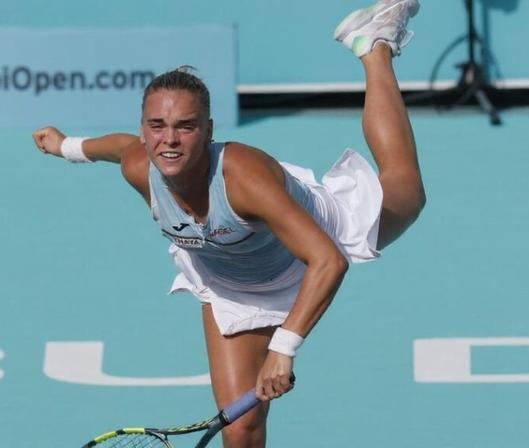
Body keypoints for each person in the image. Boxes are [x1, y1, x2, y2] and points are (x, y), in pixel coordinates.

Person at [32, 1, 424, 447]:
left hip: (308, 246)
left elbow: (328, 261)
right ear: (144, 130)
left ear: (209, 129)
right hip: (231, 285)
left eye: (186, 126)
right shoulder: (140, 165)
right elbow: (120, 147)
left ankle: (374, 47)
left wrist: (283, 349)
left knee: (406, 192)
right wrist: (68, 146)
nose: (170, 140)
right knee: (240, 429)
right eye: (157, 126)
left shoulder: (244, 179)